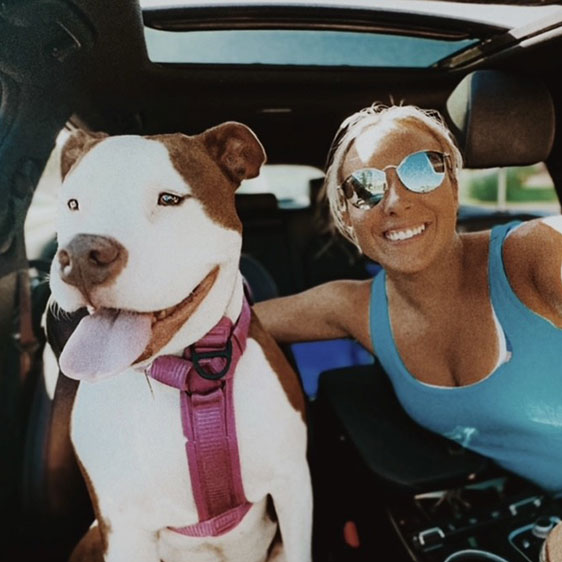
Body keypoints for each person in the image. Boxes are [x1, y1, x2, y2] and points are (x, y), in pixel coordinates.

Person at [254, 103, 562, 493]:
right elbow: (227, 324)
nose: (396, 200)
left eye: (421, 171)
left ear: (453, 185)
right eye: (365, 187)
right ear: (347, 218)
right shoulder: (356, 309)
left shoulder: (538, 254)